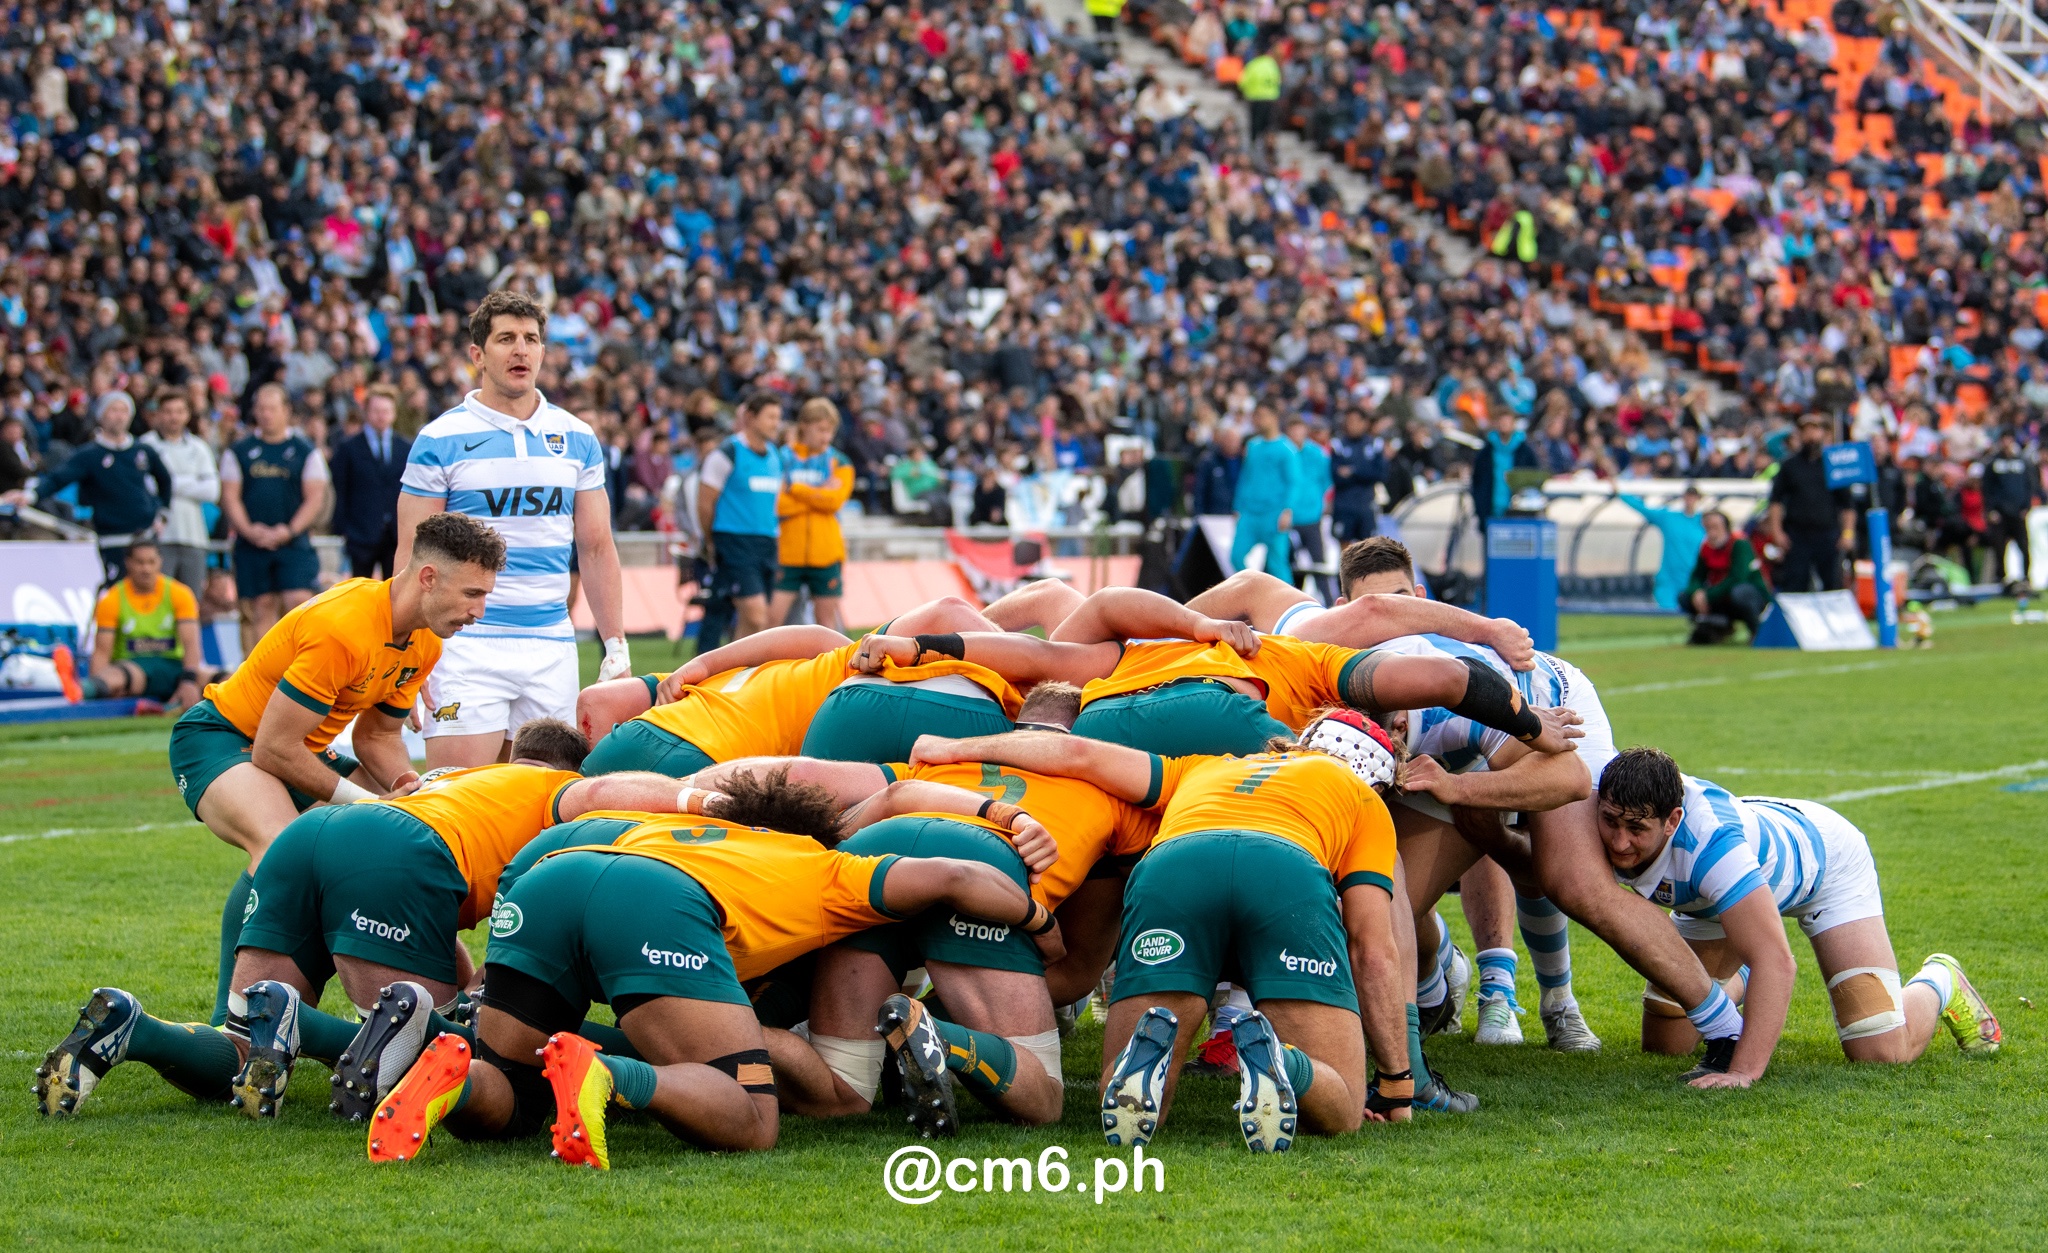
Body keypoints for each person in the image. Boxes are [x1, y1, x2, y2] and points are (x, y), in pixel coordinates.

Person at [362, 768, 1046, 1164]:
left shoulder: (690, 829)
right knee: (752, 1115)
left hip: (552, 880)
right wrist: (1040, 922)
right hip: (653, 902)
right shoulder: (825, 864)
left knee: (514, 1084)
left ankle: (449, 1069)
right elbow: (954, 873)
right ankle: (606, 1073)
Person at [33, 720, 698, 1122]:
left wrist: (466, 981)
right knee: (445, 1051)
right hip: (394, 852)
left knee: (240, 1041)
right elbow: (602, 797)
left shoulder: (460, 777)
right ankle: (302, 1025)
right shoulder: (556, 792)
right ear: (562, 769)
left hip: (313, 835)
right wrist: (707, 796)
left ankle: (134, 1026)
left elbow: (441, 934)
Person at [914, 709, 1415, 1151]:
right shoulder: (1364, 801)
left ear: (1299, 741)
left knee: (1123, 1074)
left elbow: (1076, 752)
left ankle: (1145, 1062)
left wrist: (951, 748)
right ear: (1379, 783)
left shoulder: (1208, 766)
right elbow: (1372, 950)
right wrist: (1396, 1082)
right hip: (1284, 869)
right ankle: (1286, 1063)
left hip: (1175, 866)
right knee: (1344, 1110)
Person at [165, 512, 504, 1032]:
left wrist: (403, 787)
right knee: (281, 847)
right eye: (472, 594)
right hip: (225, 738)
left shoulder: (426, 641)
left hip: (300, 749)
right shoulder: (344, 626)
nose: (479, 611)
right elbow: (273, 751)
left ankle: (443, 1003)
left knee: (402, 843)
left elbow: (378, 736)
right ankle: (228, 1023)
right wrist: (365, 801)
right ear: (428, 577)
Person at [1597, 747, 2001, 1087]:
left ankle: (1941, 979)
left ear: (1673, 821)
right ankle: (1745, 975)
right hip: (1713, 899)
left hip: (1828, 869)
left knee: (1877, 1049)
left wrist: (1743, 1071)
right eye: (1610, 821)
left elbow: (1777, 960)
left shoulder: (1715, 850)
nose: (1619, 841)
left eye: (1636, 828)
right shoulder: (1603, 805)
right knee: (1666, 1040)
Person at [395, 291, 630, 770]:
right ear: (478, 355)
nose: (520, 349)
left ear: (544, 352)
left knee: (541, 803)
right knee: (459, 799)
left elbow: (597, 547)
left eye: (531, 339)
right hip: (464, 644)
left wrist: (617, 645)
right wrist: (403, 653)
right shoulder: (439, 439)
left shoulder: (578, 437)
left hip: (551, 645)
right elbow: (412, 554)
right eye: (506, 339)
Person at [10, 390, 172, 586]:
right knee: (116, 590)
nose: (119, 416)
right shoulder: (90, 455)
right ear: (101, 416)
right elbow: (58, 478)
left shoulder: (143, 451)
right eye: (113, 410)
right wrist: (31, 495)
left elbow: (165, 480)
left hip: (144, 537)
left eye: (123, 411)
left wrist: (163, 514)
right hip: (111, 538)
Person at [220, 383, 328, 652]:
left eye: (272, 409)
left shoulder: (305, 451)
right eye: (261, 409)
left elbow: (315, 497)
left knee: (300, 601)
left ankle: (301, 665)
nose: (266, 414)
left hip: (293, 543)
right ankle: (261, 675)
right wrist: (248, 530)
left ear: (286, 411)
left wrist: (290, 530)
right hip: (251, 543)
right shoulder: (239, 451)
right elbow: (230, 496)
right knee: (260, 606)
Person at [697, 393, 788, 648]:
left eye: (778, 418)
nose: (775, 424)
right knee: (754, 614)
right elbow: (705, 502)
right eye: (770, 417)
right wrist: (710, 539)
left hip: (766, 541)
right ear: (750, 418)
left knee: (758, 622)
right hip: (734, 539)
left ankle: (733, 675)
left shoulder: (775, 456)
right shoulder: (727, 453)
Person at [77, 539, 211, 708]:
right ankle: (84, 689)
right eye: (140, 563)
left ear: (160, 562)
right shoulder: (112, 599)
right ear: (128, 563)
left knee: (220, 678)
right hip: (134, 669)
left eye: (151, 562)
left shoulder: (180, 594)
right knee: (116, 676)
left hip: (174, 668)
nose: (146, 569)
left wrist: (189, 681)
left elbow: (191, 644)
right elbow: (102, 652)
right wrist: (100, 690)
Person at [773, 397, 854, 630]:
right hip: (788, 552)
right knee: (772, 621)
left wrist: (795, 489)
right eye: (821, 430)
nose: (826, 437)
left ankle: (830, 668)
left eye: (830, 431)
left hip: (826, 552)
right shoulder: (782, 458)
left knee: (826, 625)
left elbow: (835, 501)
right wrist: (818, 494)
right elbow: (778, 505)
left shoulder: (839, 461)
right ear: (804, 425)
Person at [139, 393, 220, 596]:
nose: (174, 417)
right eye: (168, 412)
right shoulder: (146, 445)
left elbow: (212, 491)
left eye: (179, 412)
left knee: (191, 602)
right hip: (159, 536)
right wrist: (191, 482)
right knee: (157, 599)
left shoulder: (198, 447)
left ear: (187, 415)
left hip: (193, 536)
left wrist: (169, 482)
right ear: (158, 414)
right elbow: (146, 486)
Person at [330, 385, 411, 579]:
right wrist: (343, 528)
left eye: (386, 411)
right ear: (366, 412)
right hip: (360, 533)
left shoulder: (405, 447)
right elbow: (340, 489)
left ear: (394, 413)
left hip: (395, 534)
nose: (381, 416)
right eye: (376, 411)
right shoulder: (348, 448)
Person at [1767, 415, 1855, 593]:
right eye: (1806, 430)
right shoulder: (1789, 466)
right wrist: (1776, 531)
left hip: (1827, 533)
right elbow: (1775, 501)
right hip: (1797, 534)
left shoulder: (1833, 465)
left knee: (1832, 583)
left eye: (1815, 429)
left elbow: (1847, 505)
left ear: (1824, 433)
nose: (1811, 435)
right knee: (1795, 583)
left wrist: (1847, 533)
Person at [1614, 483, 1707, 611]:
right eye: (1688, 496)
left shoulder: (1704, 522)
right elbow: (1643, 509)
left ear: (1699, 499)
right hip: (1669, 579)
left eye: (1693, 496)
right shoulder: (1669, 518)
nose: (1690, 500)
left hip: (1692, 579)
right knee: (1666, 614)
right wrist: (1619, 492)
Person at [1681, 511, 1769, 643]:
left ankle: (1756, 630)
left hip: (1751, 595)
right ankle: (1713, 628)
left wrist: (1707, 596)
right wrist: (1696, 592)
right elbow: (1697, 576)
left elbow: (1737, 578)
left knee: (1739, 593)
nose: (1712, 533)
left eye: (1715, 528)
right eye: (1708, 528)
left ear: (1726, 528)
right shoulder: (1706, 548)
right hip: (1722, 596)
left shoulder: (1739, 544)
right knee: (1684, 597)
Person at [1232, 405, 1298, 577]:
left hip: (1274, 513)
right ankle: (1254, 590)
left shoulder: (1287, 449)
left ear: (1275, 418)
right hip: (1250, 513)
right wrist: (1238, 507)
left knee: (1277, 564)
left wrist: (1287, 510)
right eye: (1256, 416)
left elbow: (1294, 482)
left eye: (1263, 415)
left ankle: (1289, 601)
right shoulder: (1253, 446)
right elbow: (1245, 478)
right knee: (1235, 556)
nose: (1258, 420)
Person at [1980, 429, 2039, 590]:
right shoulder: (1993, 463)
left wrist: (2026, 507)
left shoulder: (2023, 462)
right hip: (2000, 513)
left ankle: (2026, 578)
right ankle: (2002, 579)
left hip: (2018, 512)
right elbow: (1987, 488)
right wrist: (1990, 510)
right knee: (1999, 548)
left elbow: (2029, 485)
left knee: (2024, 547)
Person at [1288, 415, 1335, 602]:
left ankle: (1330, 602)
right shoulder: (1283, 451)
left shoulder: (1317, 454)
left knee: (1319, 564)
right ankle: (1288, 602)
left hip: (1311, 516)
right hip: (1288, 517)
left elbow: (1326, 481)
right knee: (1285, 564)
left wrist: (1319, 501)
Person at [1470, 409, 1536, 531]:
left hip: (1518, 512)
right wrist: (1479, 507)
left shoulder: (1524, 451)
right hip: (1490, 510)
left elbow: (1533, 476)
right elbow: (1477, 480)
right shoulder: (1486, 451)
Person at [1329, 407, 1386, 546]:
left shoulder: (1374, 444)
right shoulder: (1338, 445)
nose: (1351, 425)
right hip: (1344, 505)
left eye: (1355, 421)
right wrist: (1364, 472)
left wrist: (1353, 471)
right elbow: (1336, 476)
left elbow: (1380, 474)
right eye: (1348, 421)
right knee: (1345, 550)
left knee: (1367, 550)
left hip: (1366, 505)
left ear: (1364, 423)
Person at [1239, 47, 1283, 146]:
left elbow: (1242, 82)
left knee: (1256, 125)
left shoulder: (1253, 64)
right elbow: (1278, 81)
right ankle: (1269, 146)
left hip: (1255, 98)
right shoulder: (1272, 64)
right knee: (1269, 125)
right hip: (1271, 98)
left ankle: (1254, 144)